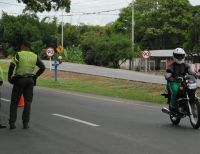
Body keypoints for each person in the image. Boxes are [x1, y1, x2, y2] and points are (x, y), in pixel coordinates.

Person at [8, 41, 45, 129]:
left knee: (14, 102)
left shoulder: (18, 54)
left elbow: (12, 66)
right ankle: (25, 123)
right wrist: (35, 76)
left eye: (21, 45)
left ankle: (12, 123)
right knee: (27, 102)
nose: (20, 47)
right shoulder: (34, 56)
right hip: (30, 81)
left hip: (19, 80)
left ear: (24, 46)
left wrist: (9, 77)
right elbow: (42, 67)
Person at [164, 48, 198, 113]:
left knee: (192, 89)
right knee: (175, 91)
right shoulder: (171, 66)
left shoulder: (186, 65)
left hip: (183, 82)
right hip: (173, 83)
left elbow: (191, 71)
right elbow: (167, 74)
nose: (179, 57)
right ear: (174, 56)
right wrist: (170, 77)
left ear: (184, 56)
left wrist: (196, 75)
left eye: (181, 55)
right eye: (177, 55)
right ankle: (172, 107)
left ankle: (191, 103)